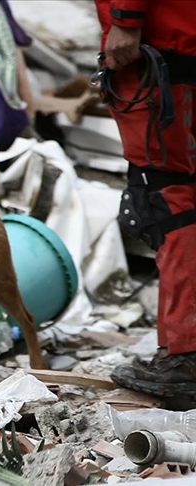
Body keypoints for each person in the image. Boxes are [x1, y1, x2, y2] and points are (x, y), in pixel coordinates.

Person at [93, 0, 195, 398]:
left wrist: (125, 20)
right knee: (183, 189)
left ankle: (186, 354)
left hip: (159, 43)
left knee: (163, 198)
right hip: (182, 40)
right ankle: (177, 349)